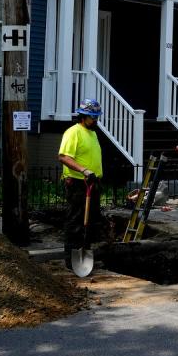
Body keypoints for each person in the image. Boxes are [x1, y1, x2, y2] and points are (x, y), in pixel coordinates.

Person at [57, 98, 103, 270]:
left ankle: (86, 253)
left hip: (92, 182)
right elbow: (63, 156)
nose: (96, 120)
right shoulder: (73, 132)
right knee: (76, 221)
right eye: (93, 117)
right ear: (83, 116)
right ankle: (71, 259)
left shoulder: (92, 133)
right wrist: (84, 170)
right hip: (78, 182)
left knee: (90, 221)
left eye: (96, 117)